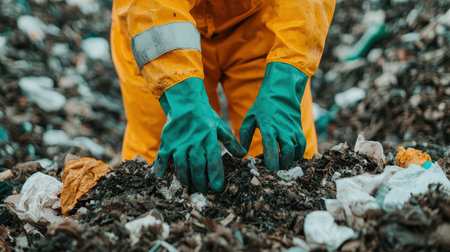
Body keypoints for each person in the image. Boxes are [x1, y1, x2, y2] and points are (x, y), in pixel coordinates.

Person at [110, 1, 335, 193]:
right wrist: (183, 99)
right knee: (160, 164)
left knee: (285, 162)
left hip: (259, 22)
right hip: (160, 27)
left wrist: (285, 80)